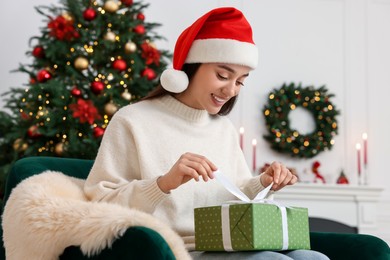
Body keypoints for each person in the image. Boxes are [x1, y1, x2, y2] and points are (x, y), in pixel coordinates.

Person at [84, 7, 329, 260]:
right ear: (191, 66)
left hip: (228, 244)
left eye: (240, 81)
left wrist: (263, 183)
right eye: (223, 75)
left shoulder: (223, 129)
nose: (231, 90)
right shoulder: (132, 120)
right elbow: (101, 205)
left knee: (314, 258)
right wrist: (164, 183)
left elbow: (235, 194)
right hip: (174, 250)